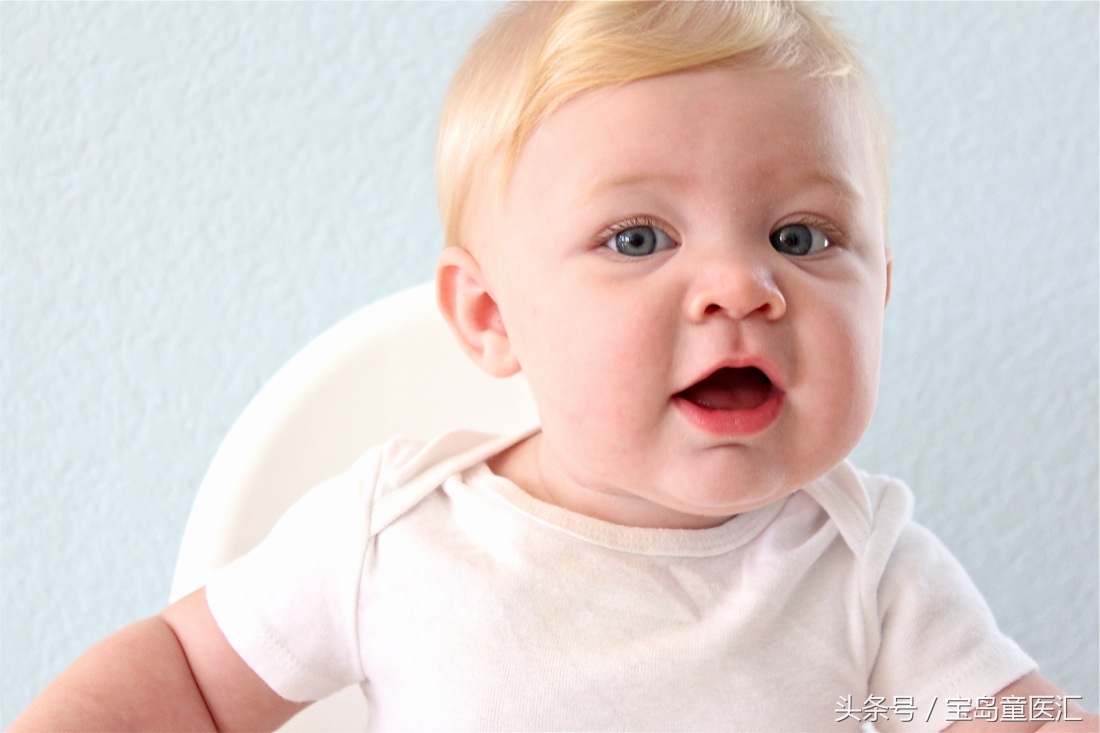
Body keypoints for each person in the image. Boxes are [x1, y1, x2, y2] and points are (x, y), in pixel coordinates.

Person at [12, 2, 1097, 731]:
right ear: (489, 316)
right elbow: (191, 682)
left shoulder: (866, 568)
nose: (741, 287)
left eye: (802, 237)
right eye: (637, 239)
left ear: (882, 290)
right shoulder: (396, 532)